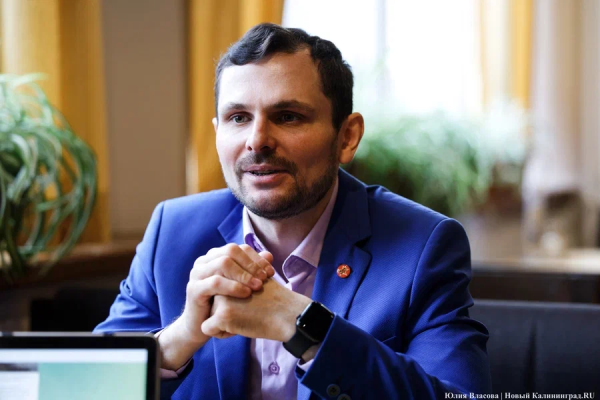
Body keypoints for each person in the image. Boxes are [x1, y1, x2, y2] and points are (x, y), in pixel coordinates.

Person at [95, 23, 491, 400]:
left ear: (347, 137)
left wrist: (302, 325)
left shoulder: (422, 245)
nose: (257, 141)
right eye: (238, 118)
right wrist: (180, 337)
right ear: (217, 133)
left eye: (288, 117)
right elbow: (88, 386)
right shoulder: (172, 231)